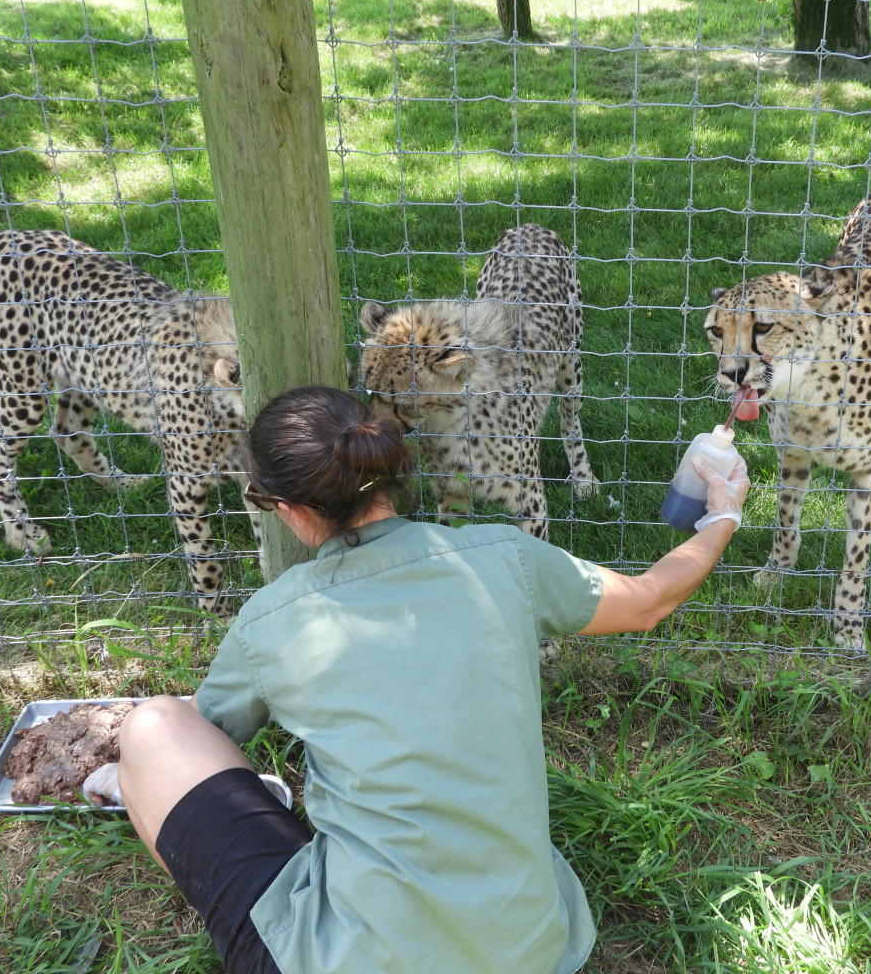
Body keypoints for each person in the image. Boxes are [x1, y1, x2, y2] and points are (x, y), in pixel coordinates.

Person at [103, 384, 750, 974]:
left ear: (294, 511)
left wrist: (127, 758)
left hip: (350, 960)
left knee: (155, 729)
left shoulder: (274, 620)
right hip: (530, 952)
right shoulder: (503, 557)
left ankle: (125, 790)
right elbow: (647, 599)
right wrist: (721, 514)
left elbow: (209, 737)